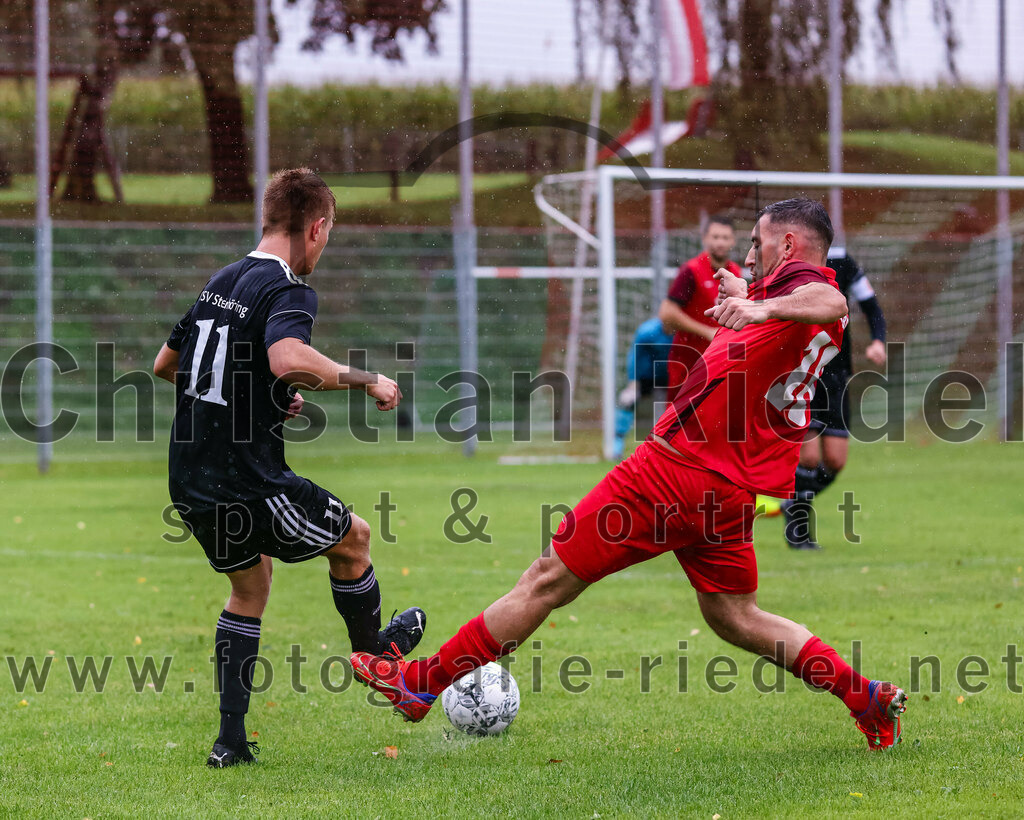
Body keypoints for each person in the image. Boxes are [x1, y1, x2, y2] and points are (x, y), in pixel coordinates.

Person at [350, 199, 908, 752]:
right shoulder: (787, 309)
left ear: (789, 245)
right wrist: (752, 299)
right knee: (735, 615)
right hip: (729, 492)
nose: (749, 253)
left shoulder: (812, 293)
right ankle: (865, 697)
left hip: (673, 473)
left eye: (758, 241)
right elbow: (796, 316)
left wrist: (761, 308)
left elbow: (829, 297)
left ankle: (419, 684)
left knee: (547, 578)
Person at [152, 168, 426, 768]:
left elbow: (166, 364)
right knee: (354, 539)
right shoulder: (288, 287)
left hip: (191, 475)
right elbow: (287, 356)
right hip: (247, 478)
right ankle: (378, 658)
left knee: (249, 587)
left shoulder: (220, 282)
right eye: (326, 236)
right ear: (316, 227)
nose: (322, 250)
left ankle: (229, 744)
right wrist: (367, 378)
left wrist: (266, 397)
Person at [779, 246, 888, 550]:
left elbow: (871, 306)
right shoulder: (788, 263)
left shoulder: (842, 260)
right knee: (809, 457)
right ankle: (800, 535)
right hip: (802, 371)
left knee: (835, 460)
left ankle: (793, 499)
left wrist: (878, 341)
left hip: (837, 374)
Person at [658, 215, 743, 399]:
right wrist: (707, 332)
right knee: (680, 424)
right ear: (704, 238)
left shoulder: (736, 272)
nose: (720, 242)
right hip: (688, 362)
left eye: (725, 237)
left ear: (733, 240)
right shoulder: (691, 270)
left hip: (720, 363)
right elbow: (667, 313)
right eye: (715, 237)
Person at [612, 317, 674, 459]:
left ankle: (673, 447)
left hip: (671, 375)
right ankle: (617, 443)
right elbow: (635, 356)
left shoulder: (683, 332)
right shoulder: (647, 331)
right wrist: (633, 382)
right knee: (627, 401)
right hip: (646, 375)